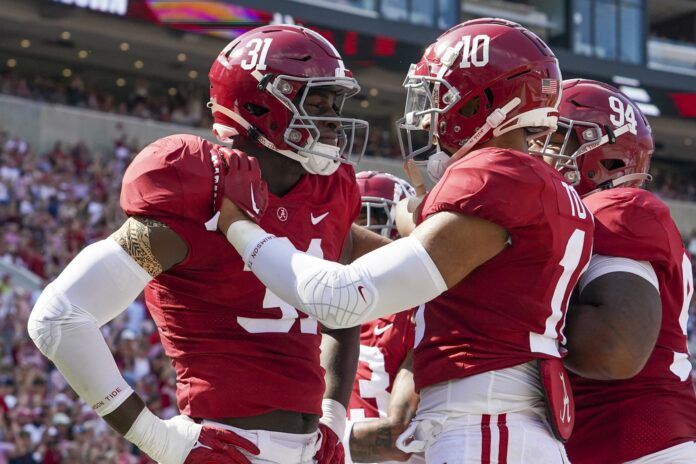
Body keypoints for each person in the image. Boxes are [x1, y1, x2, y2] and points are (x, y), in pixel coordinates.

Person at [217, 18, 594, 463]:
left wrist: (237, 226)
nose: (429, 113)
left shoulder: (496, 173)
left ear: (486, 99)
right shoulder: (542, 184)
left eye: (443, 95)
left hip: (484, 423)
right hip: (499, 420)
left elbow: (345, 297)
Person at [27, 24, 386, 464]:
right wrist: (154, 438)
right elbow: (59, 317)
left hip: (312, 452)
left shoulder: (331, 192)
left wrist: (333, 413)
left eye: (334, 102)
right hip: (222, 445)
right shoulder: (200, 189)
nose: (332, 118)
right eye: (316, 101)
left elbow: (346, 299)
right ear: (260, 103)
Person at [534, 79, 696, 463]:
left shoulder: (616, 209)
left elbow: (615, 351)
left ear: (607, 160)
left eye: (554, 140)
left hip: (636, 442)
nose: (536, 150)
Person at [345, 171, 423, 464]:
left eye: (375, 215)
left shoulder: (420, 308)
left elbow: (398, 437)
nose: (364, 229)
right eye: (356, 218)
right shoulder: (311, 298)